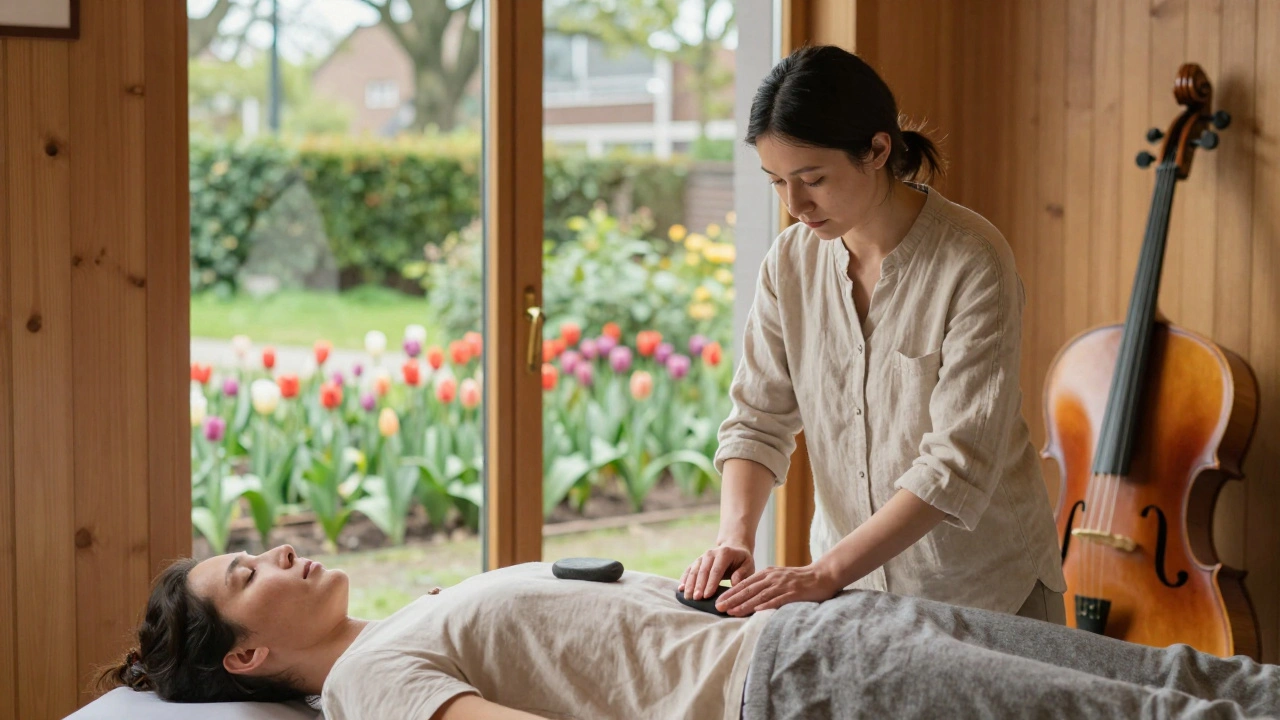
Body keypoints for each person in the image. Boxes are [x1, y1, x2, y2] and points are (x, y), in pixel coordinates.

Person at [679, 44, 1065, 622]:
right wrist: (735, 536)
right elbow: (759, 418)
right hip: (852, 595)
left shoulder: (973, 260)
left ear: (878, 149)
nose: (795, 204)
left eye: (813, 179)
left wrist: (823, 573)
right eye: (777, 181)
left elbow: (956, 462)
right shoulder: (790, 263)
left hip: (986, 589)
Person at [101, 545, 1280, 719]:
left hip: (821, 623)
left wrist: (695, 583)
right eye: (248, 575)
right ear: (245, 655)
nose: (284, 554)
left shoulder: (402, 614)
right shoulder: (367, 679)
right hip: (800, 681)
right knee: (1153, 715)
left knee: (1178, 673)